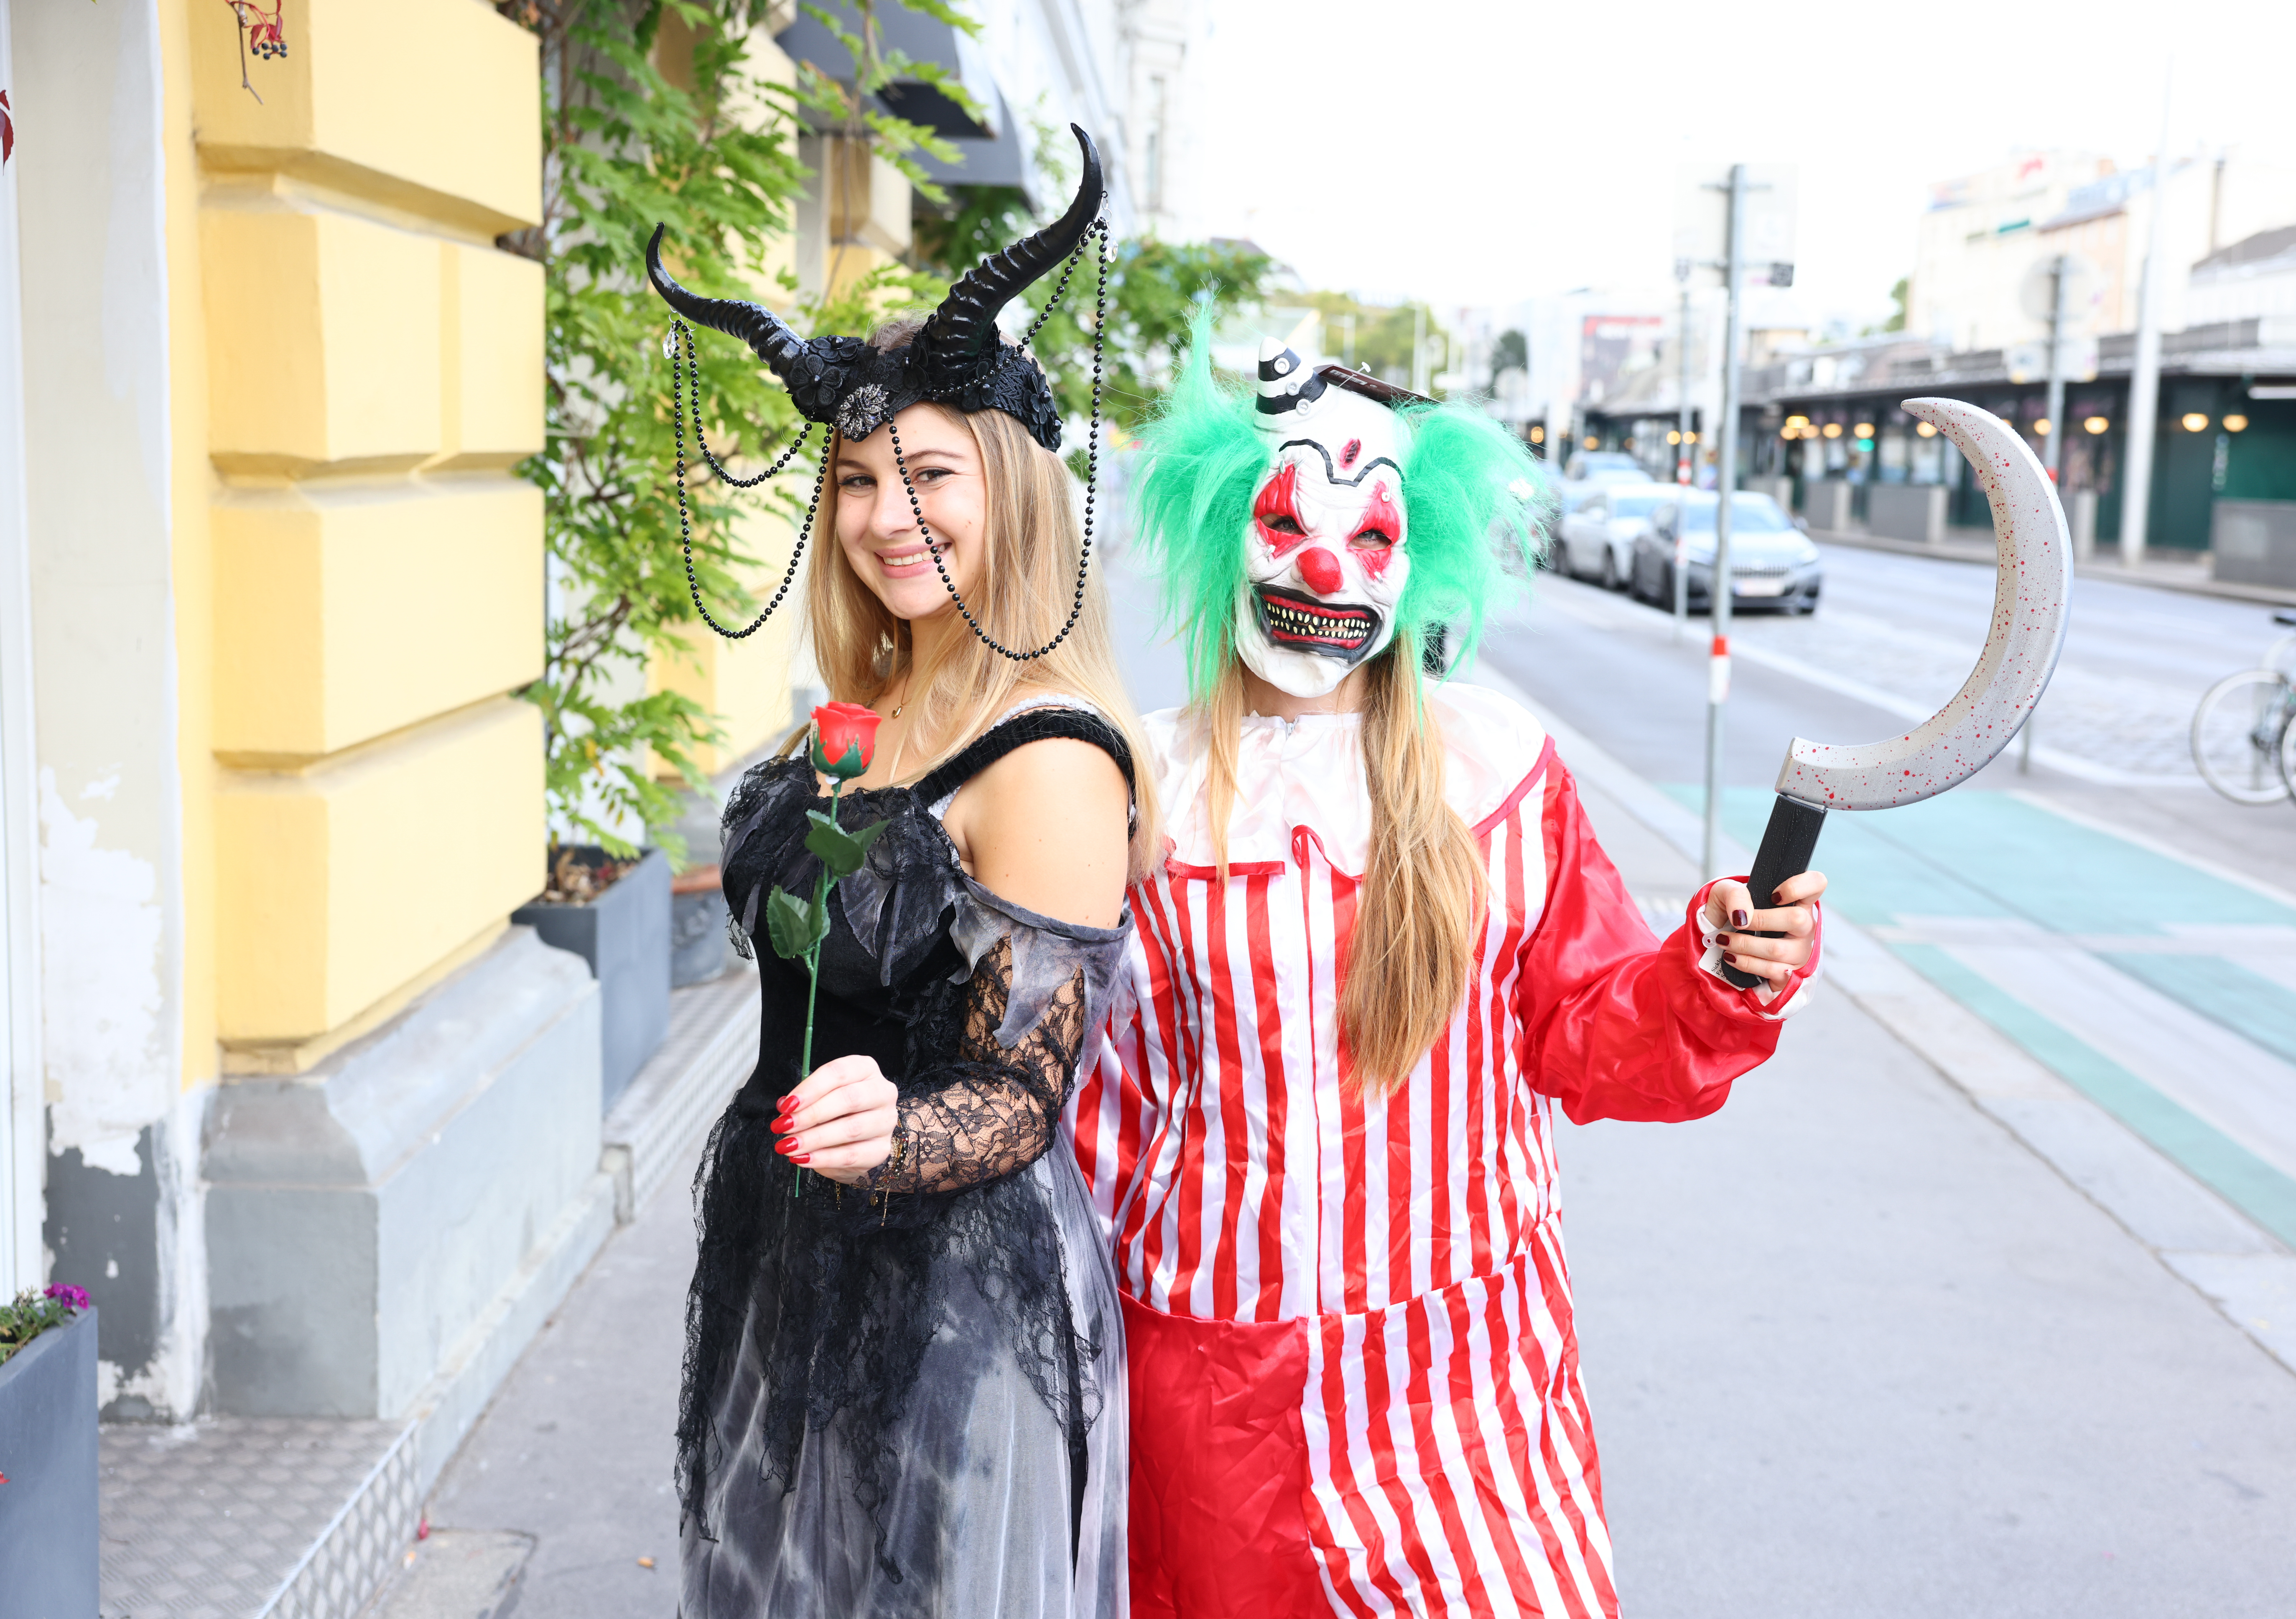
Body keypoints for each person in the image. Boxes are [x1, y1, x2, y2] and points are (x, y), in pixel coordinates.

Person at [1068, 321, 1825, 1617]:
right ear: (1213, 533)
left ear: (1417, 558)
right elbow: (1076, 1087)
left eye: (1369, 537)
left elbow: (1588, 1031)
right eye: (1286, 520)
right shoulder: (1139, 783)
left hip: (1460, 1387)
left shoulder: (1498, 774)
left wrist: (1717, 975)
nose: (1324, 562)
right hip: (1202, 1390)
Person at [648, 130, 1152, 1616]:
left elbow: (1020, 1091)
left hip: (949, 1299)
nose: (886, 517)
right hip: (797, 1248)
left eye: (930, 471)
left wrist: (896, 1123)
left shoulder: (1052, 750)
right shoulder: (881, 703)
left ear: (1010, 478)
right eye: (859, 479)